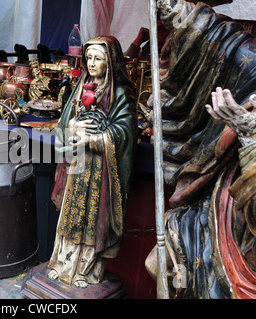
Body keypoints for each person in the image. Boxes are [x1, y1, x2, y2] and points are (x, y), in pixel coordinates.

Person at [145, 0, 255, 298]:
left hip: (243, 235)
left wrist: (248, 137)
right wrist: (180, 14)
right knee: (159, 262)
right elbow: (226, 47)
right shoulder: (249, 62)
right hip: (223, 205)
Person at [48, 36, 138, 288]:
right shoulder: (81, 86)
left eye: (98, 58)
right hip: (76, 164)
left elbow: (126, 133)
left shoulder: (120, 94)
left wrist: (96, 139)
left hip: (101, 170)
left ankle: (85, 270)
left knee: (92, 220)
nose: (92, 63)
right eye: (89, 58)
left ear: (110, 62)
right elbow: (64, 123)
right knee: (71, 215)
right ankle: (62, 263)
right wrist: (74, 126)